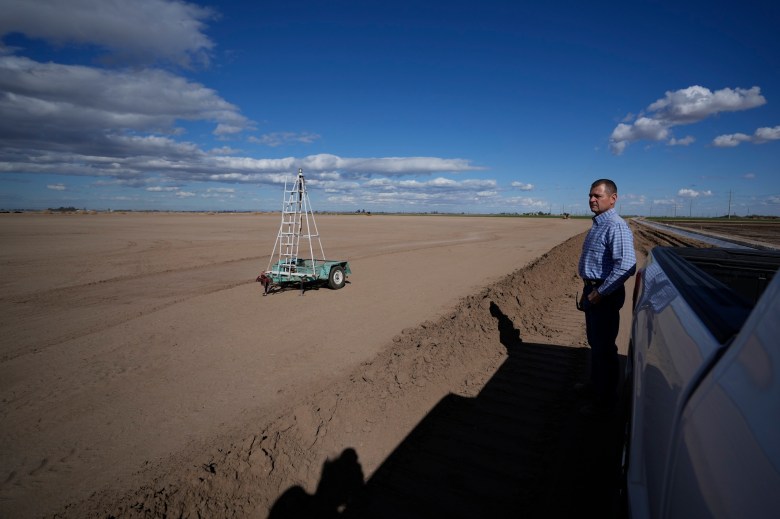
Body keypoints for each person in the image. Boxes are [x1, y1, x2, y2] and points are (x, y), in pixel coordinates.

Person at [577, 179, 636, 416]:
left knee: (604, 349)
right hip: (594, 290)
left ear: (613, 199)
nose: (592, 199)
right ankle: (594, 386)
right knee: (596, 343)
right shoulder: (599, 224)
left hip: (604, 293)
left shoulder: (615, 225)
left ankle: (604, 401)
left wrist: (600, 293)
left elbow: (627, 265)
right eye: (590, 195)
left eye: (597, 196)